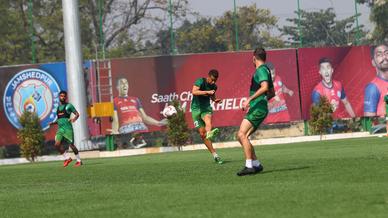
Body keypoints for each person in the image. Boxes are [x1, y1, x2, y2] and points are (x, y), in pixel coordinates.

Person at [236, 47, 275, 176]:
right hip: (258, 107)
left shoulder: (261, 70)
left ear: (254, 58)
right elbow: (272, 92)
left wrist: (250, 100)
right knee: (241, 136)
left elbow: (264, 88)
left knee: (241, 135)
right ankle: (256, 164)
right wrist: (260, 101)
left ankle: (249, 165)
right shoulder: (267, 70)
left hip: (258, 109)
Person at [191, 69, 224, 164]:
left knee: (208, 120)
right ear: (208, 76)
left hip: (206, 108)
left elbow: (212, 96)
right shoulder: (200, 81)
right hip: (195, 109)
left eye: (215, 81)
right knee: (202, 134)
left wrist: (215, 100)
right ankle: (215, 155)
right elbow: (194, 92)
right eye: (212, 80)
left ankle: (209, 133)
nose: (213, 82)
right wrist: (207, 92)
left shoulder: (214, 86)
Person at [49, 90, 82, 167]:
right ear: (59, 97)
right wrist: (53, 123)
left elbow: (77, 114)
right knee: (57, 145)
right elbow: (60, 119)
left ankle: (79, 161)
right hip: (60, 129)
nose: (62, 97)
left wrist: (74, 119)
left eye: (64, 96)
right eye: (61, 96)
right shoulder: (58, 108)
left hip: (67, 129)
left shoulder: (69, 106)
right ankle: (67, 158)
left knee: (71, 145)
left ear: (66, 97)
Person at [364, 44, 388, 117]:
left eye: (387, 53)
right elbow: (369, 120)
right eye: (379, 55)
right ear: (373, 63)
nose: (384, 57)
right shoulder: (372, 88)